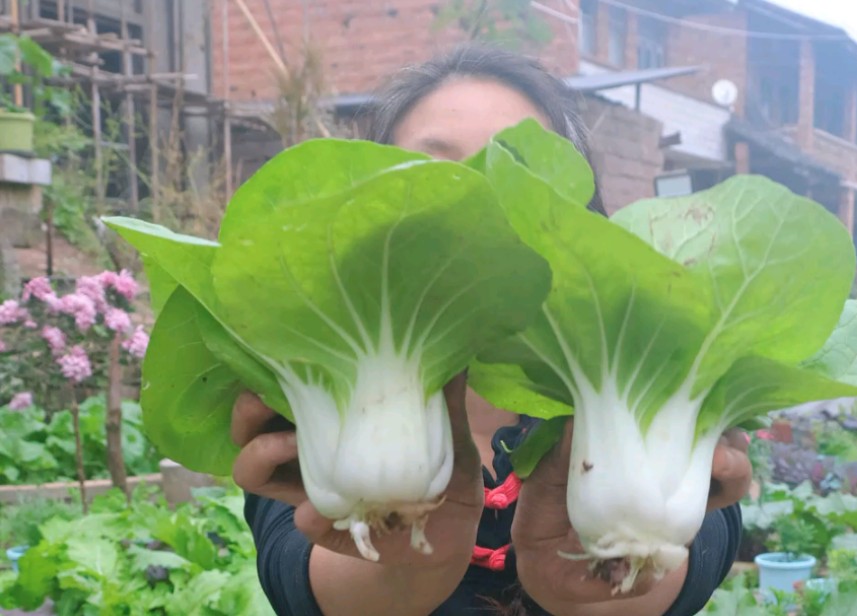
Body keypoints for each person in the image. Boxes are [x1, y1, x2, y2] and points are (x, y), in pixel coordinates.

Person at [233, 44, 751, 616]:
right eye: (438, 176)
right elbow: (299, 573)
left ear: (581, 220)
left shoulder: (659, 364)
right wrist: (409, 571)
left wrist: (576, 593)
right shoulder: (318, 396)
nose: (476, 202)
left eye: (516, 174)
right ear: (368, 222)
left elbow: (700, 550)